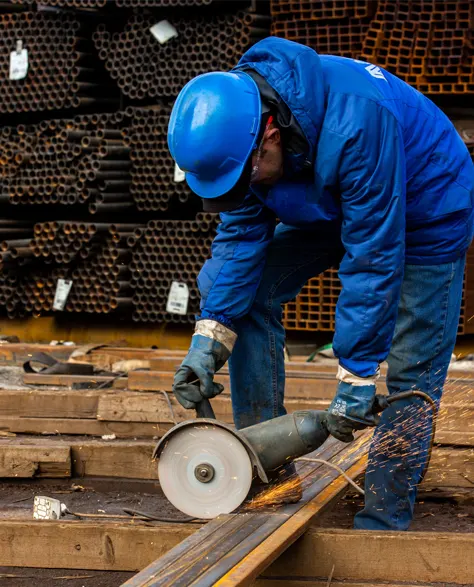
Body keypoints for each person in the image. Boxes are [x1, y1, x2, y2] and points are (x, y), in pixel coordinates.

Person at [167, 37, 474, 530]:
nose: (244, 190)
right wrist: (210, 335)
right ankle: (263, 469)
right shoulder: (242, 135)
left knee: (412, 365)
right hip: (329, 194)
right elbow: (240, 242)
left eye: (247, 178)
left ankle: (384, 516)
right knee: (248, 296)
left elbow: (373, 260)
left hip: (424, 207)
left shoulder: (357, 122)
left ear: (269, 135)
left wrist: (356, 376)